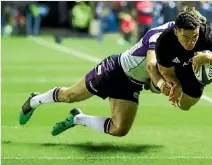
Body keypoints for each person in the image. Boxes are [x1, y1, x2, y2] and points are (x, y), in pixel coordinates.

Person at [19, 22, 173, 137]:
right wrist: (160, 83)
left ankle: (77, 118)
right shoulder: (159, 35)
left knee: (119, 129)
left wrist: (160, 87)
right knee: (70, 95)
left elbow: (153, 86)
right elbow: (151, 66)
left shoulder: (182, 49)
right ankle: (35, 100)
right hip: (115, 69)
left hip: (132, 84)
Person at [155, 6, 212, 110]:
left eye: (195, 36)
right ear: (176, 32)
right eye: (186, 38)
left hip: (196, 69)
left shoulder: (205, 33)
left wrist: (208, 57)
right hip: (176, 67)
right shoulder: (164, 41)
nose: (191, 42)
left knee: (185, 106)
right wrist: (175, 84)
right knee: (155, 78)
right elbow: (166, 71)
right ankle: (150, 82)